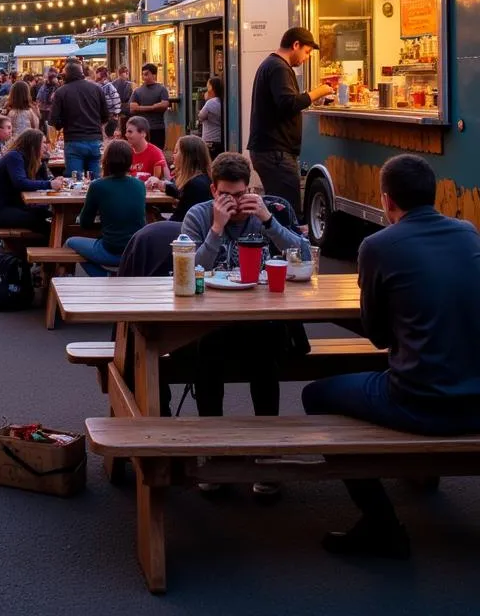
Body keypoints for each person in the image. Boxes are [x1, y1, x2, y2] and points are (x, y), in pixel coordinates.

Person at [303, 154, 480, 559]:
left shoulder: (378, 245)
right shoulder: (468, 233)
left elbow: (379, 337)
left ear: (386, 200)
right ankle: (417, 478)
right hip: (477, 397)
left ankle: (381, 523)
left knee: (316, 395)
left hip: (421, 402)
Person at [181, 152, 310, 497]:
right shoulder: (198, 215)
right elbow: (188, 269)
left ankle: (267, 456)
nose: (236, 203)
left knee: (266, 353)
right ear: (213, 190)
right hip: (212, 319)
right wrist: (217, 228)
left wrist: (269, 221)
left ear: (251, 188)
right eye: (227, 195)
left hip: (264, 316)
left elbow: (305, 256)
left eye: (241, 194)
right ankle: (215, 455)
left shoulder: (273, 210)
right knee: (205, 355)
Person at [247, 26, 334, 215]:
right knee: (286, 211)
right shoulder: (279, 67)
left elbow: (283, 103)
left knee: (278, 208)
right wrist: (319, 91)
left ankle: (276, 242)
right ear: (296, 45)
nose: (307, 57)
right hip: (276, 153)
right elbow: (288, 103)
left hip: (270, 151)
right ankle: (284, 245)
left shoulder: (271, 65)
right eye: (307, 52)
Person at [65, 140, 147, 276]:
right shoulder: (140, 185)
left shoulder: (97, 186)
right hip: (135, 249)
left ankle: (102, 277)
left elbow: (85, 223)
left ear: (106, 161)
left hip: (110, 249)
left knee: (69, 242)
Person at [0, 128, 65, 236]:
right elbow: (21, 183)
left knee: (49, 215)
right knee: (41, 220)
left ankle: (50, 245)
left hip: (11, 206)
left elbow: (41, 181)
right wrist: (50, 184)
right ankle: (40, 249)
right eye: (43, 142)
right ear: (33, 144)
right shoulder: (14, 157)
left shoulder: (30, 159)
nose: (46, 146)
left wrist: (44, 163)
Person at [50, 61, 108, 179]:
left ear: (66, 75)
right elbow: (106, 115)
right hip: (94, 140)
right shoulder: (97, 89)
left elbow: (54, 120)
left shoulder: (61, 92)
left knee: (75, 181)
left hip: (73, 140)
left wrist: (63, 124)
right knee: (96, 180)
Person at [162, 135, 212, 222]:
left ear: (187, 157)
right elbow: (181, 193)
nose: (173, 155)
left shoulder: (195, 185)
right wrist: (164, 186)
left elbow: (179, 219)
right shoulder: (202, 179)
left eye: (176, 151)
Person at [129, 63, 170, 149]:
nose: (144, 77)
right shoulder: (137, 91)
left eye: (146, 74)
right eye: (143, 74)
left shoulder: (161, 89)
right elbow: (133, 108)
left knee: (157, 152)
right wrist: (153, 107)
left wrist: (141, 108)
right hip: (142, 129)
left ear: (154, 75)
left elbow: (164, 105)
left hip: (157, 128)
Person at [198, 76, 224, 159]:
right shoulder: (222, 101)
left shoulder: (210, 102)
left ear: (211, 88)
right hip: (220, 138)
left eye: (208, 86)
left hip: (210, 139)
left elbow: (201, 116)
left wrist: (205, 100)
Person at [94, 67, 122, 138]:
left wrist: (116, 111)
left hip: (109, 111)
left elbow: (115, 98)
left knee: (108, 129)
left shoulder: (108, 86)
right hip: (101, 111)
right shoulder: (96, 86)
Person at [111, 66, 133, 135]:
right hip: (124, 109)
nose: (127, 74)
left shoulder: (112, 84)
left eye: (127, 72)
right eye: (125, 72)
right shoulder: (128, 84)